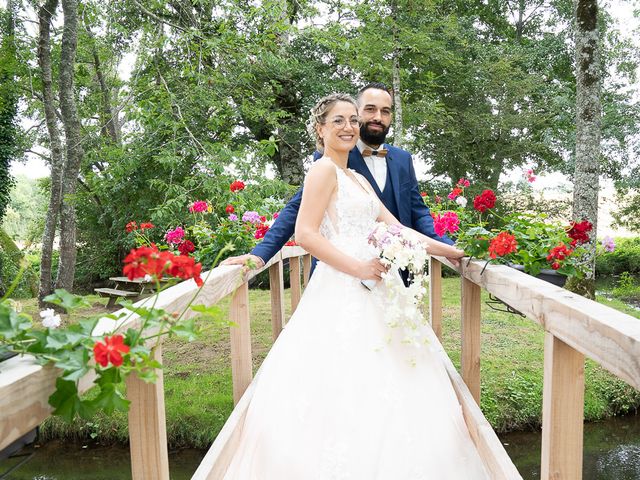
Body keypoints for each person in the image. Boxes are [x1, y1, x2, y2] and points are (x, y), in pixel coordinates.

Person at [221, 93, 488, 479]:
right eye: (338, 121)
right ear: (320, 129)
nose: (348, 127)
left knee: (393, 378)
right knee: (339, 381)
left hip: (377, 287)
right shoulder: (321, 171)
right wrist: (354, 268)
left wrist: (456, 251)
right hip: (342, 285)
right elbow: (304, 233)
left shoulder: (358, 178)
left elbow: (398, 227)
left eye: (351, 120)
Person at [221, 82, 455, 272]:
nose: (378, 117)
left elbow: (417, 213)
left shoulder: (401, 160)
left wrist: (450, 248)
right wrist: (260, 254)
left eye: (385, 111)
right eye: (370, 109)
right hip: (343, 276)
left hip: (395, 275)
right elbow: (298, 210)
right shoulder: (327, 162)